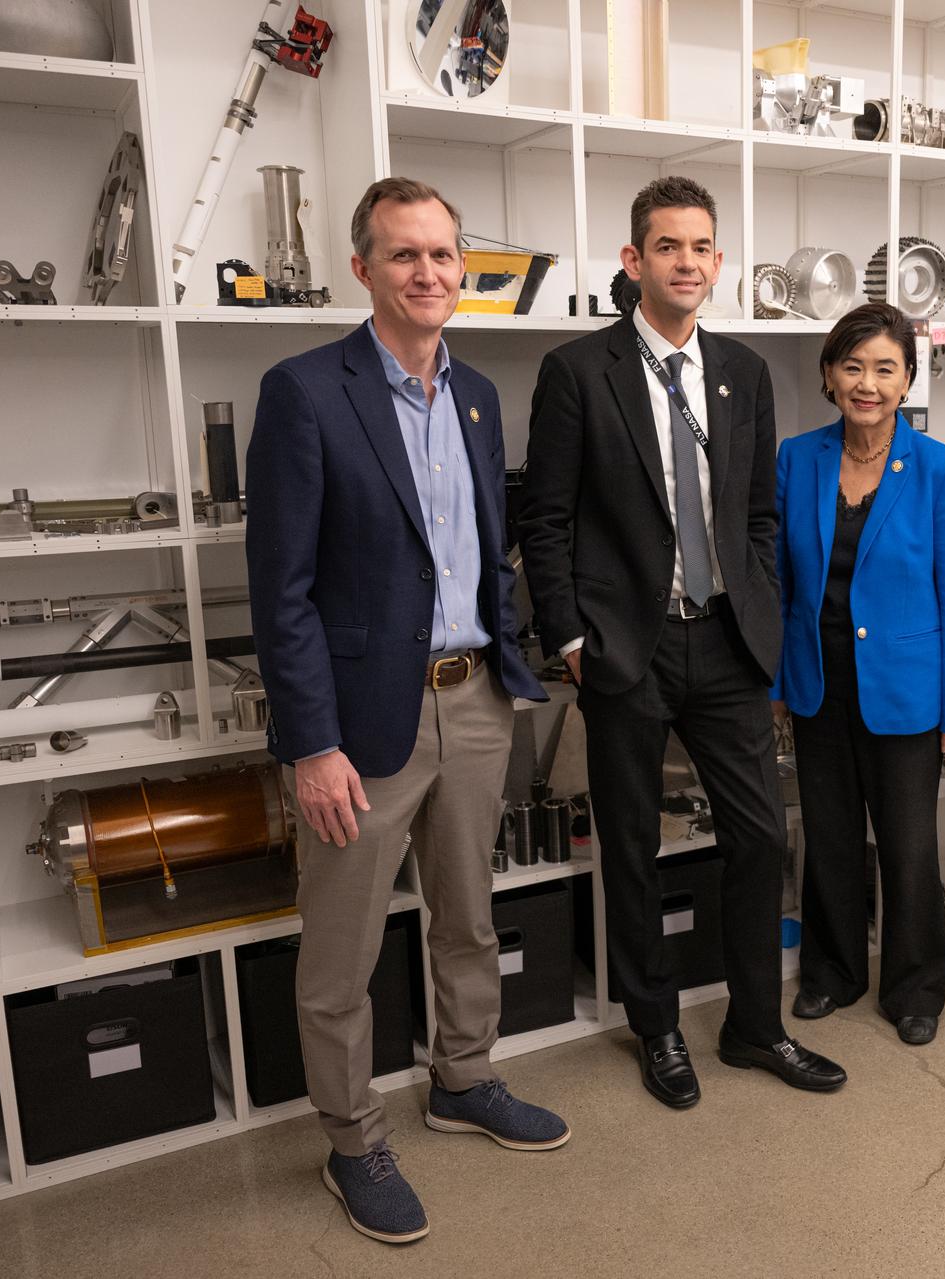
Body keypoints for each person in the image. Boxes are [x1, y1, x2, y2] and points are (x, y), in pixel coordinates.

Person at [246, 177, 569, 1246]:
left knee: (468, 914)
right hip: (362, 728)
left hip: (473, 702)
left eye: (444, 256)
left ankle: (464, 1078)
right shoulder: (306, 391)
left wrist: (514, 658)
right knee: (340, 953)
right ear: (363, 270)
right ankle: (352, 1139)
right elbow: (280, 589)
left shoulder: (475, 391)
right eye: (405, 257)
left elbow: (484, 548)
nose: (431, 274)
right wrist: (312, 743)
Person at [519, 176, 845, 1108]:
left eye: (702, 247)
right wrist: (571, 636)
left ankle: (754, 1025)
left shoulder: (743, 371)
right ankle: (656, 1026)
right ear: (634, 261)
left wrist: (765, 612)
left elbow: (757, 516)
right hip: (627, 644)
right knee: (629, 844)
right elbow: (545, 520)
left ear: (718, 261)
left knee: (757, 834)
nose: (688, 262)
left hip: (728, 641)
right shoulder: (579, 372)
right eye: (669, 246)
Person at [771, 302, 945, 1047]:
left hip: (908, 691)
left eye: (885, 368)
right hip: (819, 683)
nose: (867, 382)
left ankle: (917, 985)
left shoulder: (944, 472)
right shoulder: (797, 459)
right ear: (829, 375)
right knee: (825, 838)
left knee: (909, 847)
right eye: (853, 366)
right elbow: (782, 584)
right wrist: (776, 686)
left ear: (908, 379)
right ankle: (830, 973)